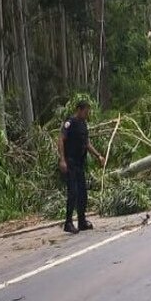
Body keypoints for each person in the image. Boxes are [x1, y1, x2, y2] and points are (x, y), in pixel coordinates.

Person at [58, 99, 106, 234]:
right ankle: (68, 222)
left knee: (82, 193)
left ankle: (81, 221)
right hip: (70, 162)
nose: (87, 114)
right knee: (73, 192)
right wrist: (62, 160)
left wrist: (98, 156)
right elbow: (61, 139)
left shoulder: (83, 124)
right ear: (79, 110)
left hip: (80, 163)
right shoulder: (70, 122)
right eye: (85, 112)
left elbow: (87, 143)